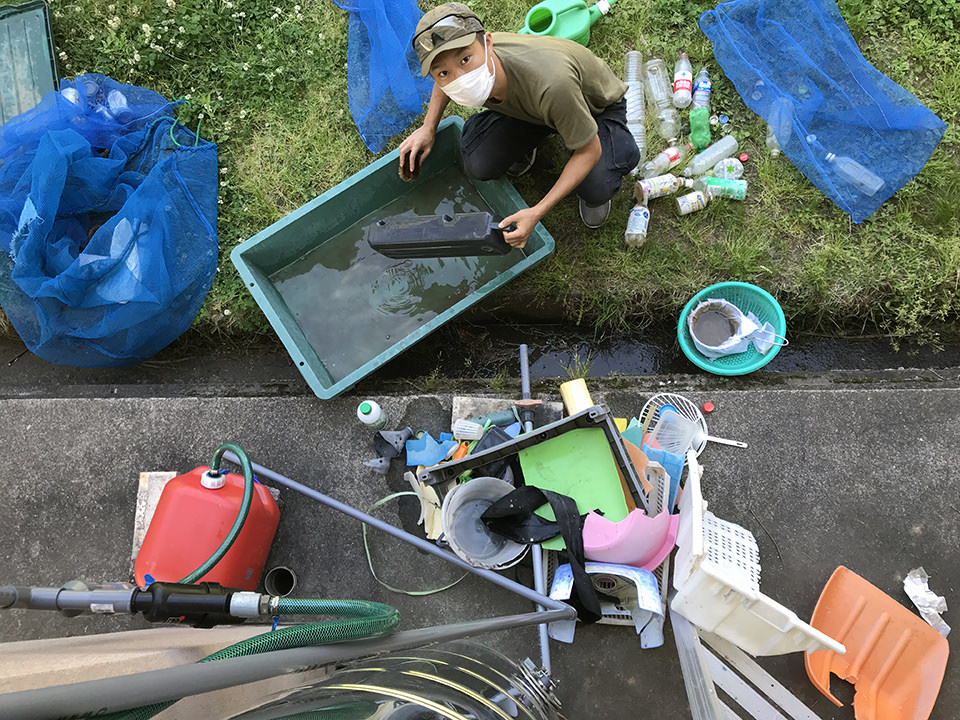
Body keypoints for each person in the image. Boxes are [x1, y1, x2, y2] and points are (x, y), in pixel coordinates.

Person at [398, 2, 639, 249]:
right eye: (444, 73)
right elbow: (447, 72)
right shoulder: (474, 62)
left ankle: (617, 149)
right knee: (479, 162)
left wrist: (536, 211)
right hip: (538, 111)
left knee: (596, 186)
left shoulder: (553, 85)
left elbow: (590, 151)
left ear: (488, 43)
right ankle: (538, 135)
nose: (461, 79)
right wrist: (428, 127)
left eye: (465, 60)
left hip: (594, 110)